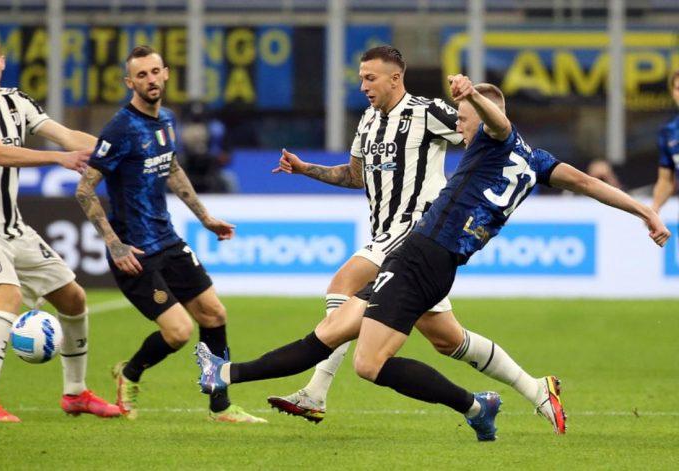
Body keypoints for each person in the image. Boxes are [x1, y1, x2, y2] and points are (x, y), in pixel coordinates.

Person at [195, 75, 670, 440]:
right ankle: (231, 374)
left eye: (463, 119)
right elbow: (587, 183)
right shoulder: (537, 159)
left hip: (421, 256)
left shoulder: (494, 138)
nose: (458, 128)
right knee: (346, 332)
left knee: (365, 360)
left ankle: (475, 405)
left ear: (483, 117)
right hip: (430, 262)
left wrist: (473, 94)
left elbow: (500, 124)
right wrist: (644, 210)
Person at [267, 45, 565, 435]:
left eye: (370, 78)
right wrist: (307, 169)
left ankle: (316, 391)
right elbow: (355, 176)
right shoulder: (368, 121)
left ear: (395, 78)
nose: (363, 86)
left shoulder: (428, 112)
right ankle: (533, 388)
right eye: (361, 78)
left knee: (343, 284)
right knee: (449, 340)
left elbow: (481, 132)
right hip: (391, 238)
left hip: (418, 230)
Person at [75, 45, 263, 423]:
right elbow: (84, 189)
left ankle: (220, 406)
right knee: (178, 332)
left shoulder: (167, 120)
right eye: (141, 75)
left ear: (166, 74)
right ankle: (130, 373)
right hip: (135, 253)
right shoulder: (120, 129)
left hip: (169, 240)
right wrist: (114, 244)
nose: (150, 80)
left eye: (155, 72)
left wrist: (205, 217)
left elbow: (172, 168)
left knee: (214, 314)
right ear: (130, 82)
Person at [0, 31, 120, 422]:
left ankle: (75, 393)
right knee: (6, 298)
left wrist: (117, 151)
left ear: (2, 62)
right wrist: (59, 159)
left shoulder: (16, 101)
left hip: (13, 227)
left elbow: (67, 135)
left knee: (73, 298)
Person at [651, 69, 679, 215]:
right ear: (673, 93)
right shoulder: (668, 132)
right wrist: (654, 208)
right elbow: (666, 181)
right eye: (678, 89)